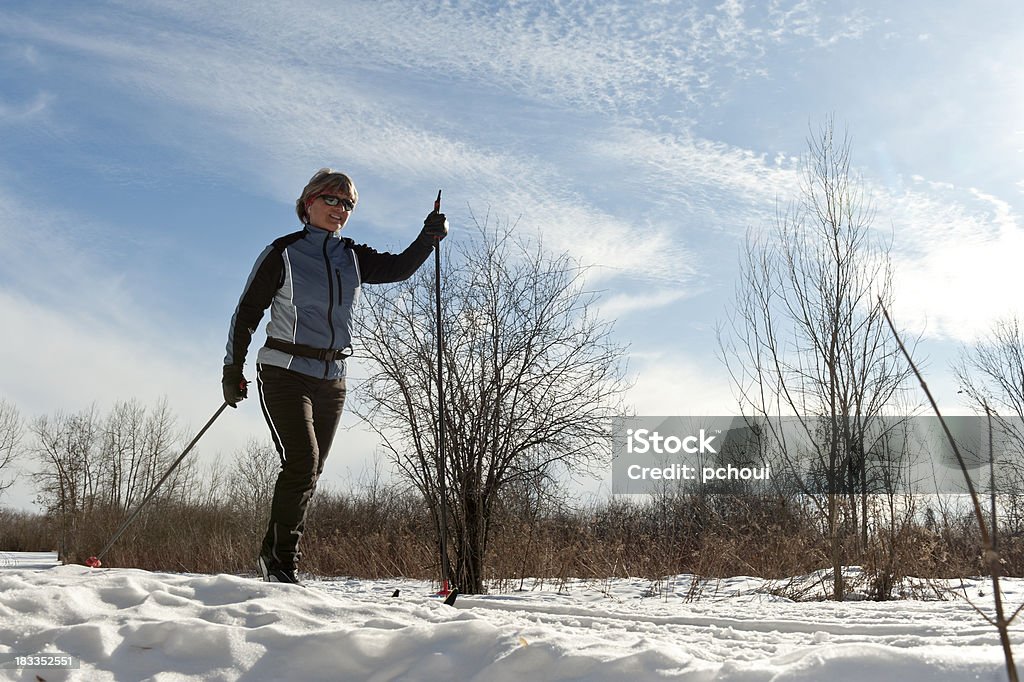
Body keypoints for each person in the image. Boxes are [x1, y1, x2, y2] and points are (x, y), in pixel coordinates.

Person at [222, 168, 447, 583]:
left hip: (333, 377)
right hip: (284, 370)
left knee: (311, 469)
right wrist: (231, 368)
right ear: (309, 203)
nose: (339, 210)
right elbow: (247, 313)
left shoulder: (351, 256)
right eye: (331, 200)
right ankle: (282, 565)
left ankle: (271, 555)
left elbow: (398, 269)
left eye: (347, 204)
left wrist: (427, 238)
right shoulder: (283, 252)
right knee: (302, 462)